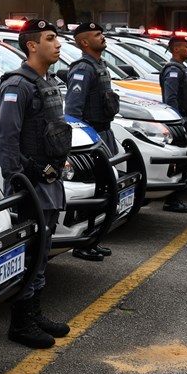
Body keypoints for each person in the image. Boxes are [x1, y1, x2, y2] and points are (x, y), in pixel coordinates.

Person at [0, 19, 72, 349]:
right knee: (29, 252)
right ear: (31, 45)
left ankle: (35, 311)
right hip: (31, 185)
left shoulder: (48, 81)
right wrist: (19, 183)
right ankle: (21, 322)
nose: (58, 44)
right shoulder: (18, 85)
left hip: (49, 181)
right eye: (50, 38)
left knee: (41, 252)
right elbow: (7, 141)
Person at [64, 21, 119, 260]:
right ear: (84, 42)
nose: (102, 37)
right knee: (92, 193)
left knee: (103, 190)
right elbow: (74, 110)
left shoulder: (99, 65)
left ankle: (93, 238)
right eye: (97, 35)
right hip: (91, 136)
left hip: (104, 134)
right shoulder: (82, 68)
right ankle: (82, 242)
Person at [158, 35, 187, 213]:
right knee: (179, 161)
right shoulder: (173, 69)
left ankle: (175, 197)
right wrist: (176, 121)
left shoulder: (181, 68)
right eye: (186, 47)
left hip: (184, 117)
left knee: (184, 160)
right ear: (177, 49)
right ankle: (172, 200)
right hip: (177, 119)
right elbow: (171, 98)